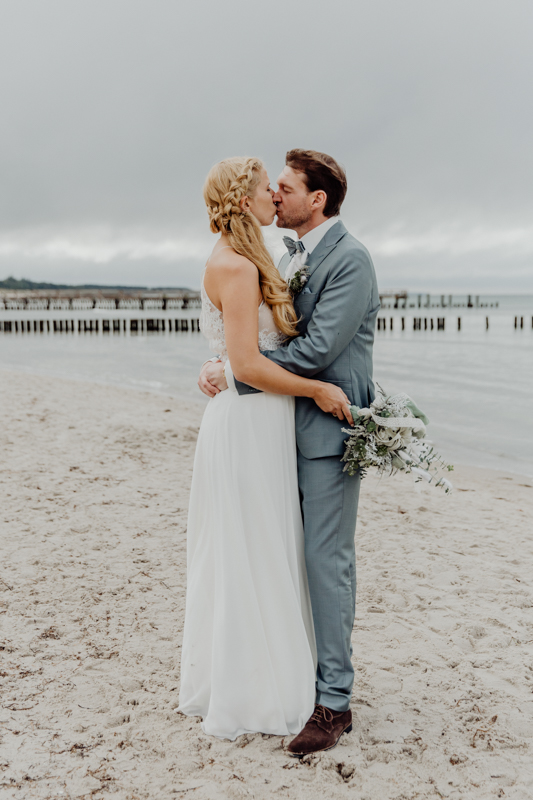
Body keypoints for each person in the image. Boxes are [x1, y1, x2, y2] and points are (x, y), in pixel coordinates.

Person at [198, 149, 380, 756]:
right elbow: (251, 329)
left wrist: (235, 372)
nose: (275, 196)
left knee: (326, 565)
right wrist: (228, 361)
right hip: (277, 433)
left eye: (285, 187)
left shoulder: (349, 258)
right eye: (269, 188)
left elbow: (319, 350)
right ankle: (293, 677)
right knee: (278, 560)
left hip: (324, 436)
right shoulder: (284, 255)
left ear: (316, 200)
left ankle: (334, 702)